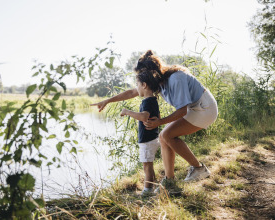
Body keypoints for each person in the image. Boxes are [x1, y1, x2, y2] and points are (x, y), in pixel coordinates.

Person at [91, 50, 218, 194]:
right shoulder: (159, 84)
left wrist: (160, 121)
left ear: (150, 72)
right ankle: (169, 180)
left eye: (141, 75)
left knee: (167, 135)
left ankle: (199, 169)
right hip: (194, 108)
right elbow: (132, 92)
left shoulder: (176, 78)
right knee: (164, 137)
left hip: (205, 108)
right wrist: (108, 101)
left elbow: (182, 111)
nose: (140, 79)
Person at [120, 69, 161, 196]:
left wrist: (127, 112)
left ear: (144, 85)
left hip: (147, 140)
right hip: (152, 137)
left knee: (147, 166)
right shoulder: (153, 100)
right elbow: (158, 116)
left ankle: (147, 191)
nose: (137, 88)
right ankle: (152, 186)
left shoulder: (147, 101)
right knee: (148, 164)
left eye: (137, 85)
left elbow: (144, 116)